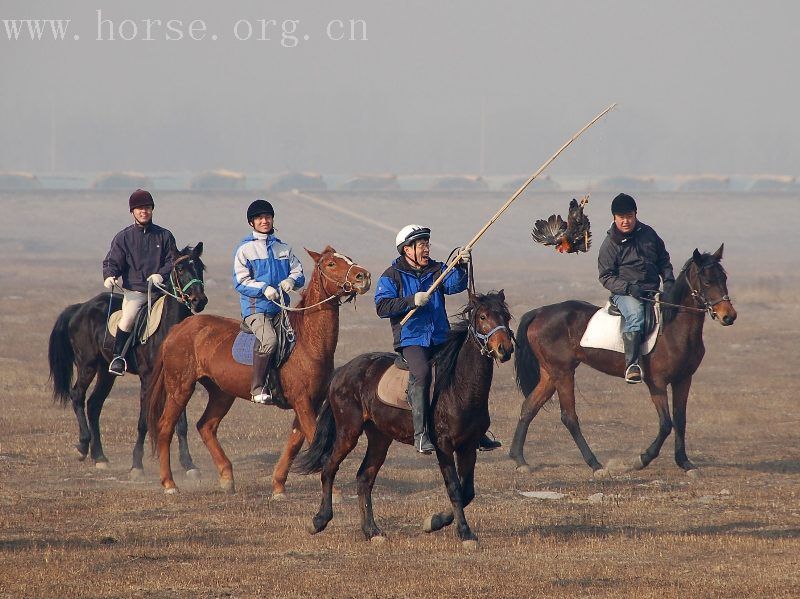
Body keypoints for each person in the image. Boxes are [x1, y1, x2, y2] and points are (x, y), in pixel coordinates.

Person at [375, 225, 501, 454]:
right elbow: (382, 307)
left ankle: (476, 429)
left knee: (466, 370)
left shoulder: (438, 269)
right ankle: (421, 434)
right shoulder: (390, 276)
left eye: (427, 244)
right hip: (412, 339)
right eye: (421, 245)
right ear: (407, 249)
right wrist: (411, 300)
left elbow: (455, 285)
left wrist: (461, 266)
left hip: (440, 335)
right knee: (422, 373)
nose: (426, 249)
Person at [598, 193, 675, 384]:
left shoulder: (649, 234)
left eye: (629, 216)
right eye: (621, 217)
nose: (626, 221)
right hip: (624, 294)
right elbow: (605, 276)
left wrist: (669, 280)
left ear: (635, 214)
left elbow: (663, 260)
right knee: (635, 314)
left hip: (652, 290)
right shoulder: (610, 245)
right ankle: (632, 365)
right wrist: (628, 288)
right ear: (614, 218)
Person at [233, 199, 305, 404]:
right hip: (256, 309)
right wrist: (265, 289)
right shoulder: (245, 250)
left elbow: (298, 271)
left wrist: (291, 280)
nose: (264, 221)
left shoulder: (283, 248)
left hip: (281, 308)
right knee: (270, 341)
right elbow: (240, 281)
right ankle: (257, 388)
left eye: (267, 217)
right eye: (259, 218)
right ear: (251, 223)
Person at [102, 189, 177, 376]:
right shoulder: (123, 237)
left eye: (147, 207)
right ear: (132, 212)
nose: (144, 211)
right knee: (127, 319)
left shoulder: (165, 236)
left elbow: (172, 260)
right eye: (140, 208)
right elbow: (113, 261)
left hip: (162, 290)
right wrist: (110, 275)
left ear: (152, 210)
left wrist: (161, 275)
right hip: (136, 292)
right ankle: (118, 357)